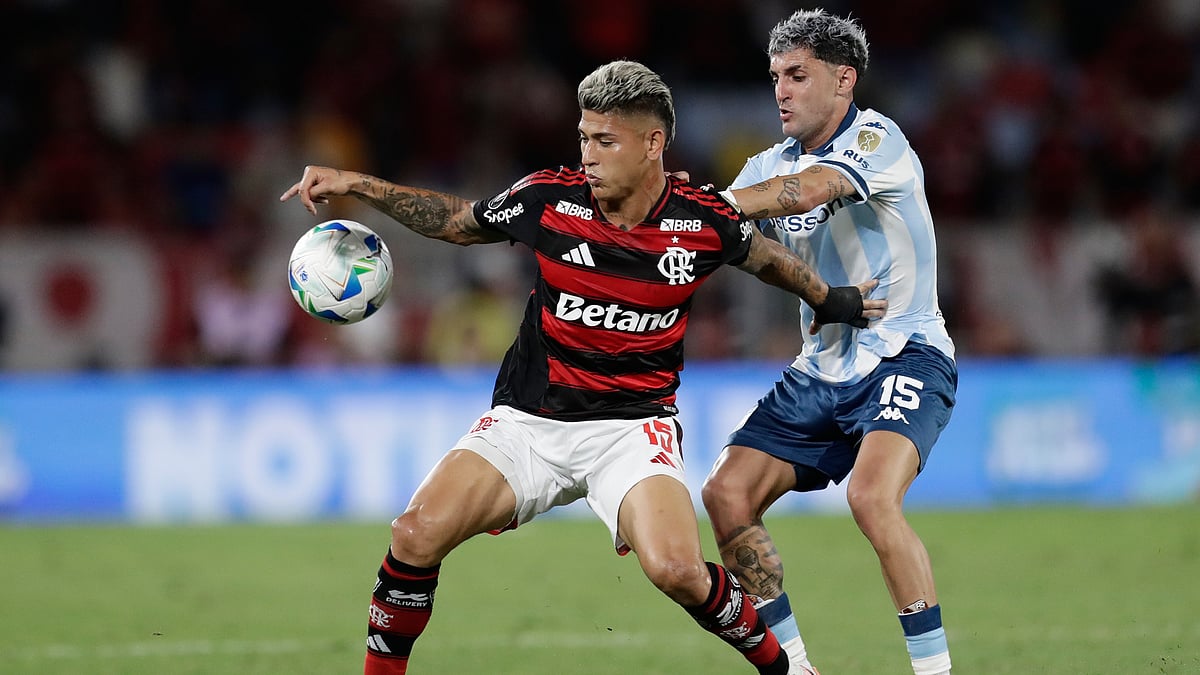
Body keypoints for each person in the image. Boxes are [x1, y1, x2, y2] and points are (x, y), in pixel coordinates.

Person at [280, 60, 885, 675]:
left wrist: (833, 300)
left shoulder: (703, 220)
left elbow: (767, 259)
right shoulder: (548, 200)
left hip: (632, 429)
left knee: (677, 569)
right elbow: (460, 223)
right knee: (413, 534)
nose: (588, 156)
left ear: (653, 144)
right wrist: (360, 184)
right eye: (583, 138)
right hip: (528, 423)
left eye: (604, 141)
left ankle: (787, 670)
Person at [700, 10, 957, 675]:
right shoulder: (766, 163)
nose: (780, 90)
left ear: (843, 80)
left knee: (871, 497)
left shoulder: (878, 139)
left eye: (797, 75)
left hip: (906, 355)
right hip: (819, 373)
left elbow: (808, 190)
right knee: (727, 494)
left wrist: (711, 206)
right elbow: (719, 231)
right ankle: (795, 667)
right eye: (775, 77)